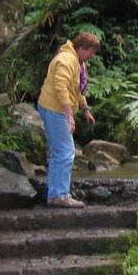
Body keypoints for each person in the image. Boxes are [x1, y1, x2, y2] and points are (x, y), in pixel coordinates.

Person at [37, 31, 101, 208]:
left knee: (59, 153)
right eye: (91, 51)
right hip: (54, 109)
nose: (92, 56)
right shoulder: (66, 60)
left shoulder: (76, 62)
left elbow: (77, 90)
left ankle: (54, 195)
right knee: (66, 152)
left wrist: (86, 110)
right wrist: (70, 115)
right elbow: (60, 87)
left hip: (55, 109)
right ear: (81, 48)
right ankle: (61, 195)